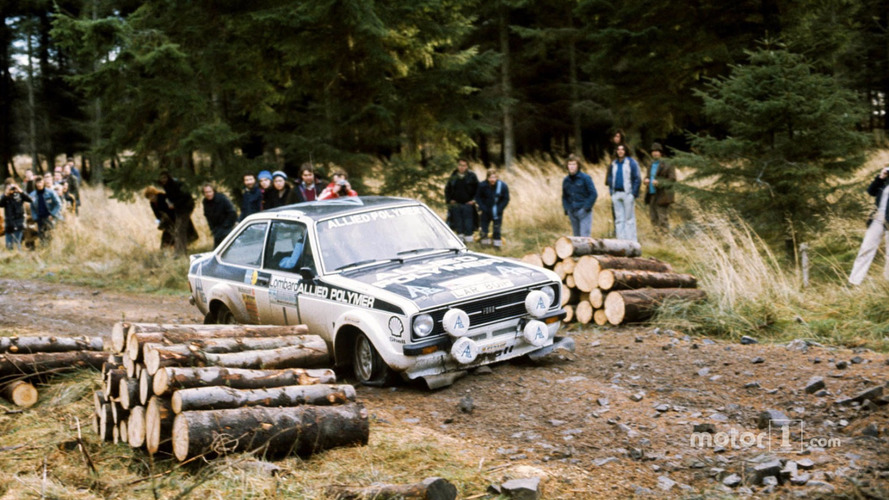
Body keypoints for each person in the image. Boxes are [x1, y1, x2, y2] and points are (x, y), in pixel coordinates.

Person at [849, 165, 889, 285]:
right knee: (866, 248)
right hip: (877, 218)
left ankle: (887, 283)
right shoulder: (886, 180)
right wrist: (881, 177)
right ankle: (854, 281)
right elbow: (871, 191)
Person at [605, 144, 641, 242]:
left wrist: (633, 194)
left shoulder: (631, 163)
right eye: (618, 149)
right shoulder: (614, 164)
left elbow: (637, 178)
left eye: (622, 149)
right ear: (616, 151)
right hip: (616, 193)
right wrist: (611, 192)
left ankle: (631, 241)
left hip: (627, 193)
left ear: (626, 151)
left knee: (629, 219)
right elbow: (610, 177)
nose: (620, 151)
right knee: (619, 219)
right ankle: (620, 241)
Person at [158, 171, 196, 255]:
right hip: (178, 208)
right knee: (178, 229)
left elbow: (186, 196)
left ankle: (181, 252)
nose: (163, 180)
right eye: (161, 178)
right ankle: (179, 250)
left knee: (180, 229)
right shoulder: (166, 186)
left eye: (165, 177)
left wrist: (174, 204)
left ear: (168, 177)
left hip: (186, 206)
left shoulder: (177, 184)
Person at [643, 143, 677, 233]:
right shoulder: (650, 164)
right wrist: (645, 180)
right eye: (653, 151)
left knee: (662, 219)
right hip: (651, 194)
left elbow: (672, 179)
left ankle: (665, 238)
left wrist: (659, 183)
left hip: (663, 195)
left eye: (657, 151)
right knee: (653, 218)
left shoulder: (668, 164)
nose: (655, 153)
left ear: (661, 153)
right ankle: (657, 238)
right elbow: (647, 176)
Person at [561, 154, 598, 237]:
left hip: (583, 212)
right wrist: (567, 209)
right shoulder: (566, 180)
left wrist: (586, 207)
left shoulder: (585, 178)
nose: (572, 167)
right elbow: (564, 196)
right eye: (570, 164)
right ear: (567, 166)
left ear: (578, 166)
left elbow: (593, 194)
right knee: (576, 238)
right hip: (572, 212)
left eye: (574, 164)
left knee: (584, 237)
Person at [445, 158, 479, 243]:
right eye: (460, 165)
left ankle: (469, 242)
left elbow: (478, 189)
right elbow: (447, 189)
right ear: (457, 165)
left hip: (468, 204)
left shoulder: (472, 176)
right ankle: (460, 241)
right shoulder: (453, 175)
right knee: (458, 223)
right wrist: (449, 200)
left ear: (467, 166)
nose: (461, 167)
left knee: (468, 223)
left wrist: (474, 200)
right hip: (456, 204)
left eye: (464, 165)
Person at [475, 169, 510, 248]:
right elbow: (478, 198)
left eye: (494, 177)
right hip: (485, 211)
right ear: (487, 178)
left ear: (497, 177)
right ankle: (484, 246)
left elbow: (506, 199)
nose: (492, 180)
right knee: (484, 230)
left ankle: (497, 247)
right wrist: (483, 208)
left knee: (497, 230)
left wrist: (499, 208)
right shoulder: (482, 185)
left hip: (497, 212)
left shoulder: (503, 186)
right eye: (490, 177)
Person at [0, 178, 33, 250]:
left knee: (17, 243)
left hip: (19, 222)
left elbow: (30, 200)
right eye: (8, 186)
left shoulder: (19, 194)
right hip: (9, 223)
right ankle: (11, 258)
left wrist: (20, 191)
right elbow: (1, 204)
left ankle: (18, 257)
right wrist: (6, 194)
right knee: (9, 245)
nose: (11, 188)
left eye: (11, 185)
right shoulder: (5, 196)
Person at [29, 175, 62, 242]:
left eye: (40, 182)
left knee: (51, 235)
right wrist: (35, 217)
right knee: (42, 236)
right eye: (37, 183)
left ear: (43, 183)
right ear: (35, 184)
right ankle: (43, 249)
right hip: (39, 218)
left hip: (49, 217)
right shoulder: (32, 195)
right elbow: (32, 207)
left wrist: (53, 214)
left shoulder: (50, 192)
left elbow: (58, 204)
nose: (39, 184)